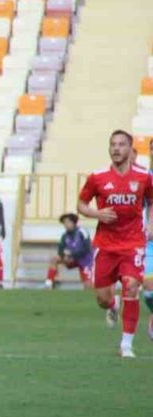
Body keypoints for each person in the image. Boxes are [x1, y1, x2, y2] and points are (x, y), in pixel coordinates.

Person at [76, 129, 152, 358]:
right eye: (113, 144)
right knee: (102, 298)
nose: (116, 148)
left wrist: (150, 225)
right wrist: (96, 214)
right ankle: (112, 305)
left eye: (121, 144)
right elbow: (81, 204)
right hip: (105, 245)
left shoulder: (144, 176)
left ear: (130, 149)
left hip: (133, 243)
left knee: (131, 285)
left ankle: (126, 345)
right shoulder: (97, 177)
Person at [45, 213, 93, 289]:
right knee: (54, 259)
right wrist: (65, 256)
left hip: (85, 260)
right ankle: (48, 284)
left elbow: (87, 249)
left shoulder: (82, 232)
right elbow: (60, 250)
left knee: (88, 287)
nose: (65, 224)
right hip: (72, 259)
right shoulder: (65, 235)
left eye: (67, 222)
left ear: (73, 222)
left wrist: (72, 255)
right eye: (64, 223)